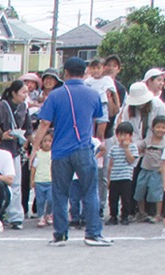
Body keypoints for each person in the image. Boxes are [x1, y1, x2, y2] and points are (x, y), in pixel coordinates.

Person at [31, 57, 111, 247]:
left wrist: (35, 147)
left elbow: (44, 123)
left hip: (60, 151)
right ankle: (93, 233)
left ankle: (60, 234)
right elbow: (97, 119)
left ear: (65, 73)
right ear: (85, 73)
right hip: (83, 148)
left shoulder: (56, 95)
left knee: (60, 193)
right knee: (90, 192)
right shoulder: (93, 94)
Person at [0, 79, 30, 227]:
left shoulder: (24, 107)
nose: (25, 95)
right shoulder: (0, 107)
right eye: (23, 92)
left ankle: (16, 216)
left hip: (15, 149)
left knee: (16, 183)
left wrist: (27, 140)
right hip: (0, 149)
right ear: (14, 93)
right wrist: (1, 135)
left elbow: (28, 128)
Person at [134, 115, 165, 223]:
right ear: (153, 128)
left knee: (156, 193)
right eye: (158, 127)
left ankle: (158, 214)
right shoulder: (148, 139)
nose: (160, 130)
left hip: (157, 171)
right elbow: (139, 146)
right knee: (140, 190)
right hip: (144, 168)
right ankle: (141, 212)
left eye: (163, 128)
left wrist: (163, 168)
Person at [105, 121, 137, 225]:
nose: (122, 137)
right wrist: (108, 179)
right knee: (113, 199)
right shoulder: (114, 148)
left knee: (126, 199)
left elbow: (131, 160)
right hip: (114, 177)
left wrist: (126, 148)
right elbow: (110, 165)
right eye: (120, 134)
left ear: (130, 136)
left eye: (125, 134)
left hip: (126, 177)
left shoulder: (133, 147)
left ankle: (125, 216)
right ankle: (113, 216)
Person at [30, 128, 54, 226]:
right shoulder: (38, 154)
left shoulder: (54, 154)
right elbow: (33, 168)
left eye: (49, 141)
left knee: (51, 199)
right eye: (44, 141)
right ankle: (40, 216)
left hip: (50, 181)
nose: (47, 143)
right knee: (40, 201)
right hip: (39, 181)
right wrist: (32, 180)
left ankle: (48, 214)